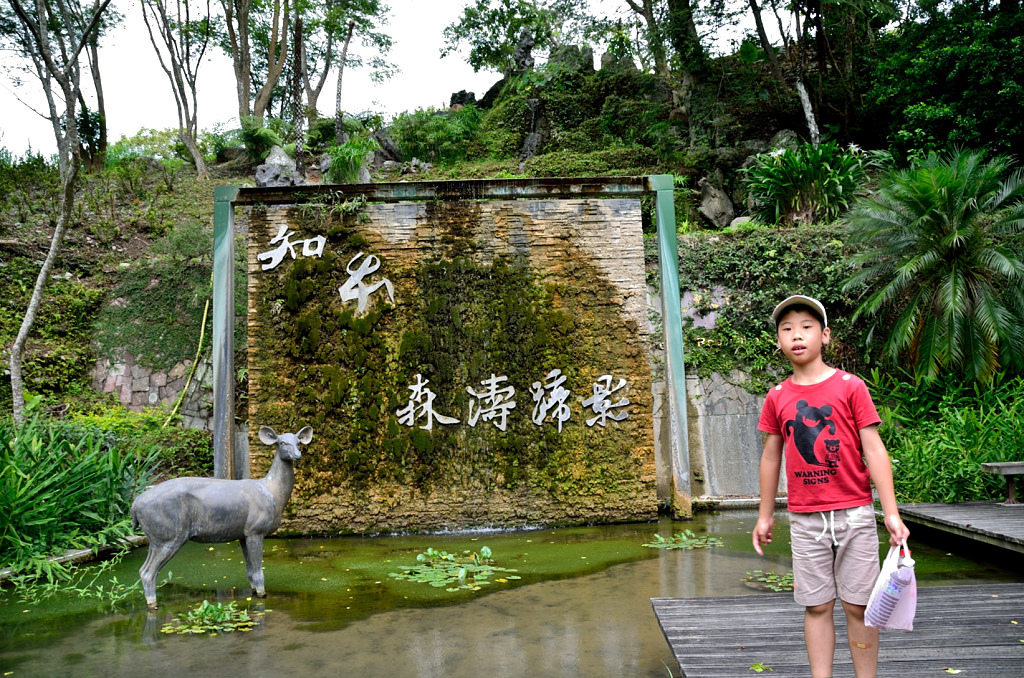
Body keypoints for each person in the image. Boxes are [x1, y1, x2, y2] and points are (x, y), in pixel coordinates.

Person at [752, 294, 910, 678]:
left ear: (825, 336)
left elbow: (873, 449)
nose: (796, 335)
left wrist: (890, 513)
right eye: (787, 329)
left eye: (806, 327)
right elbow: (772, 456)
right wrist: (764, 515)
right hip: (806, 520)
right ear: (778, 342)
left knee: (859, 606)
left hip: (854, 513)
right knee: (817, 606)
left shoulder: (849, 386)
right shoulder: (777, 397)